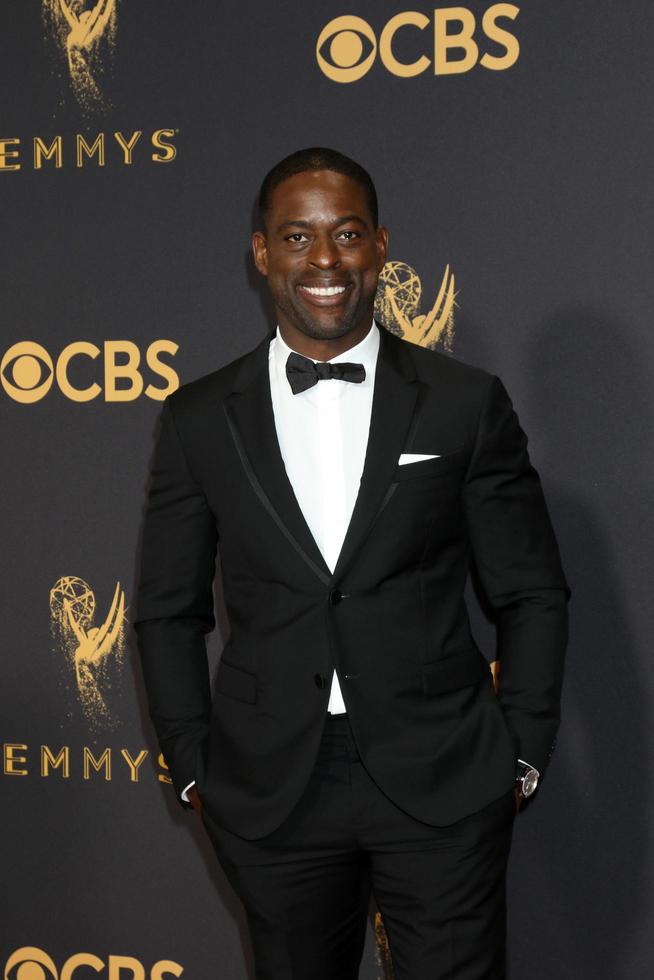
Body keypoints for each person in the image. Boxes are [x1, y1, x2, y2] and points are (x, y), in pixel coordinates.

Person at [134, 147, 570, 980]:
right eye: (297, 237)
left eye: (347, 234)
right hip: (271, 788)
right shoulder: (197, 418)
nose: (324, 260)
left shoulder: (463, 401)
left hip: (444, 771)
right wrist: (193, 767)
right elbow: (166, 611)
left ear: (380, 248)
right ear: (262, 254)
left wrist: (523, 751)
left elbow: (533, 590)